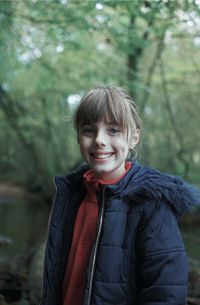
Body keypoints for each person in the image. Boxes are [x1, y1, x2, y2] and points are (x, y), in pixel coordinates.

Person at [39, 86, 200, 305]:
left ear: (134, 137)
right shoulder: (70, 195)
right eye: (89, 130)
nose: (99, 140)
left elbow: (165, 294)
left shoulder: (152, 204)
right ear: (78, 136)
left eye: (113, 130)